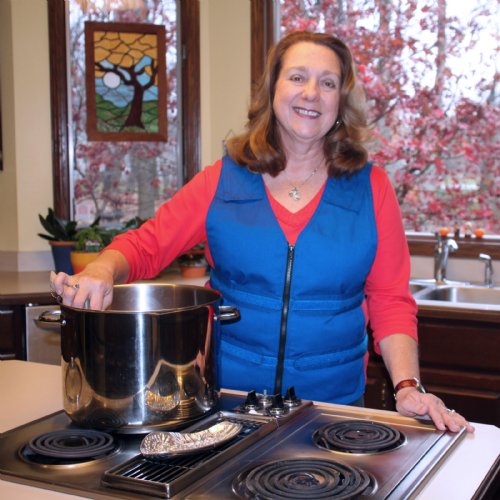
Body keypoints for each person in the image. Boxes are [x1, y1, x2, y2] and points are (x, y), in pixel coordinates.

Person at [51, 31, 473, 433]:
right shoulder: (223, 179)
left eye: (327, 83)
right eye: (297, 77)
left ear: (340, 102)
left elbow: (390, 300)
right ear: (273, 90)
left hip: (335, 410)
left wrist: (407, 387)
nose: (311, 93)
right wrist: (101, 271)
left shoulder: (371, 187)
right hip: (227, 404)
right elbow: (147, 244)